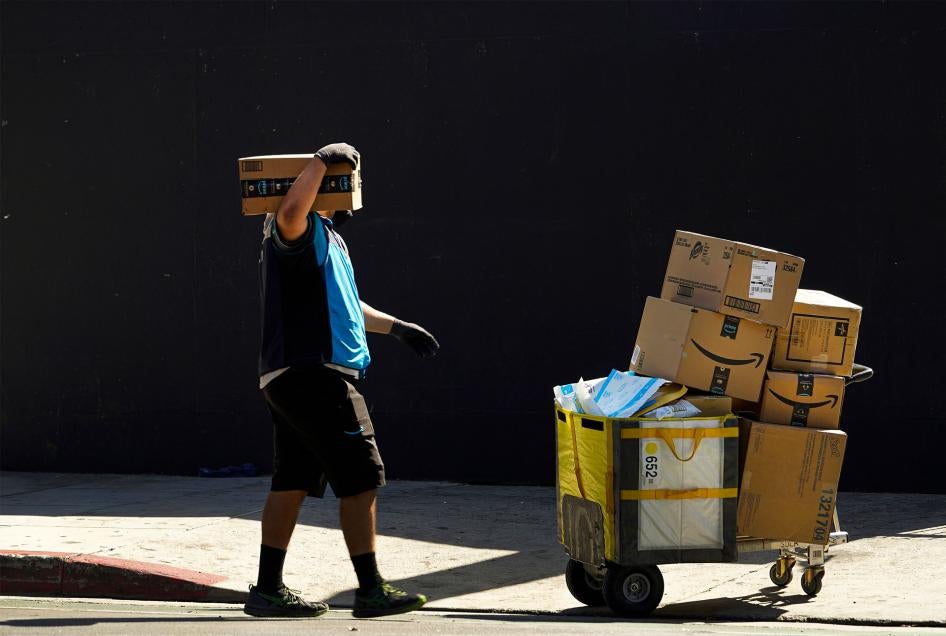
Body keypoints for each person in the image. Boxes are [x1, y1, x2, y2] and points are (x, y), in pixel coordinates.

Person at [243, 142, 440, 619]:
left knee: (291, 482)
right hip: (315, 375)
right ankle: (371, 589)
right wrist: (320, 161)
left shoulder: (327, 237)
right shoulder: (298, 228)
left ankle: (267, 589)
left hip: (290, 377)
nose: (355, 190)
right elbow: (292, 209)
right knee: (360, 477)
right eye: (347, 180)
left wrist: (398, 328)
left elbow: (348, 306)